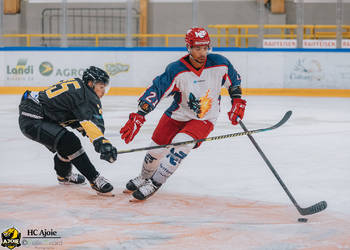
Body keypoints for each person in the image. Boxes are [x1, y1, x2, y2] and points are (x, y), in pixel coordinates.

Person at [120, 27, 247, 201]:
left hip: (204, 118)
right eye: (197, 48)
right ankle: (144, 177)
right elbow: (157, 90)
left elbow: (234, 80)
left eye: (205, 48)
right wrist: (140, 114)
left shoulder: (220, 63)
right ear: (188, 47)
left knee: (181, 144)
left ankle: (155, 183)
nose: (202, 53)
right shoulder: (176, 69)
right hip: (177, 114)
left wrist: (237, 100)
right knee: (155, 151)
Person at [18, 66, 118, 196]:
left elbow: (78, 120)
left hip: (35, 112)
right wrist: (103, 144)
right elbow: (93, 124)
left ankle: (64, 176)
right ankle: (94, 178)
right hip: (33, 118)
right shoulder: (87, 97)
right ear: (90, 84)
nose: (103, 91)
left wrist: (99, 141)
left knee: (65, 143)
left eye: (105, 87)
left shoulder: (79, 88)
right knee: (70, 142)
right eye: (101, 86)